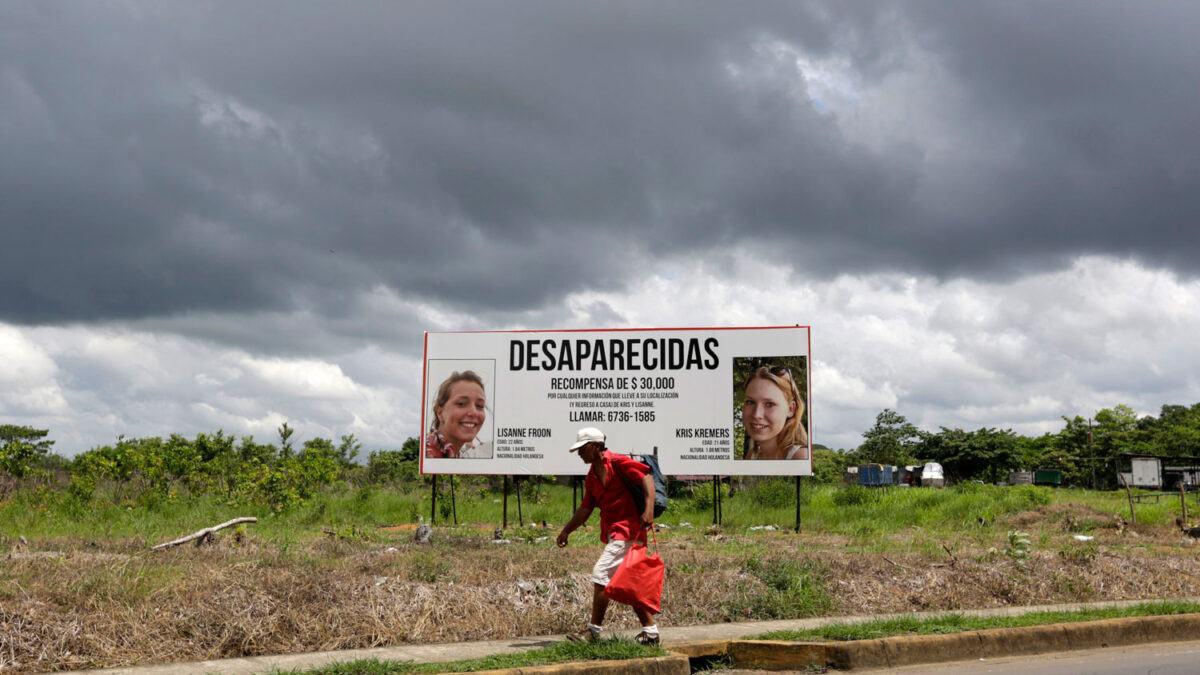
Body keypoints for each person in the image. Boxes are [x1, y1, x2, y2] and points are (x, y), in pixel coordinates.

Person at [556, 427, 660, 645]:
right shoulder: (592, 477)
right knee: (628, 584)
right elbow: (585, 509)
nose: (579, 454)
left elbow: (646, 477)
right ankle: (651, 633)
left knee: (600, 575)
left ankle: (593, 632)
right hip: (616, 533)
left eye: (582, 449)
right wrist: (567, 530)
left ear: (595, 447)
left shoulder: (618, 462)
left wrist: (648, 509)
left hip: (630, 530)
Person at [741, 366, 810, 460]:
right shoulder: (752, 456)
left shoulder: (801, 457)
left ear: (790, 409)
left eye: (769, 404)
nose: (756, 414)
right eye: (750, 402)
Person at [425, 370, 492, 458]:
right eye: (461, 404)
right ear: (440, 413)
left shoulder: (455, 455)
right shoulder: (427, 452)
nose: (473, 412)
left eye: (479, 406)